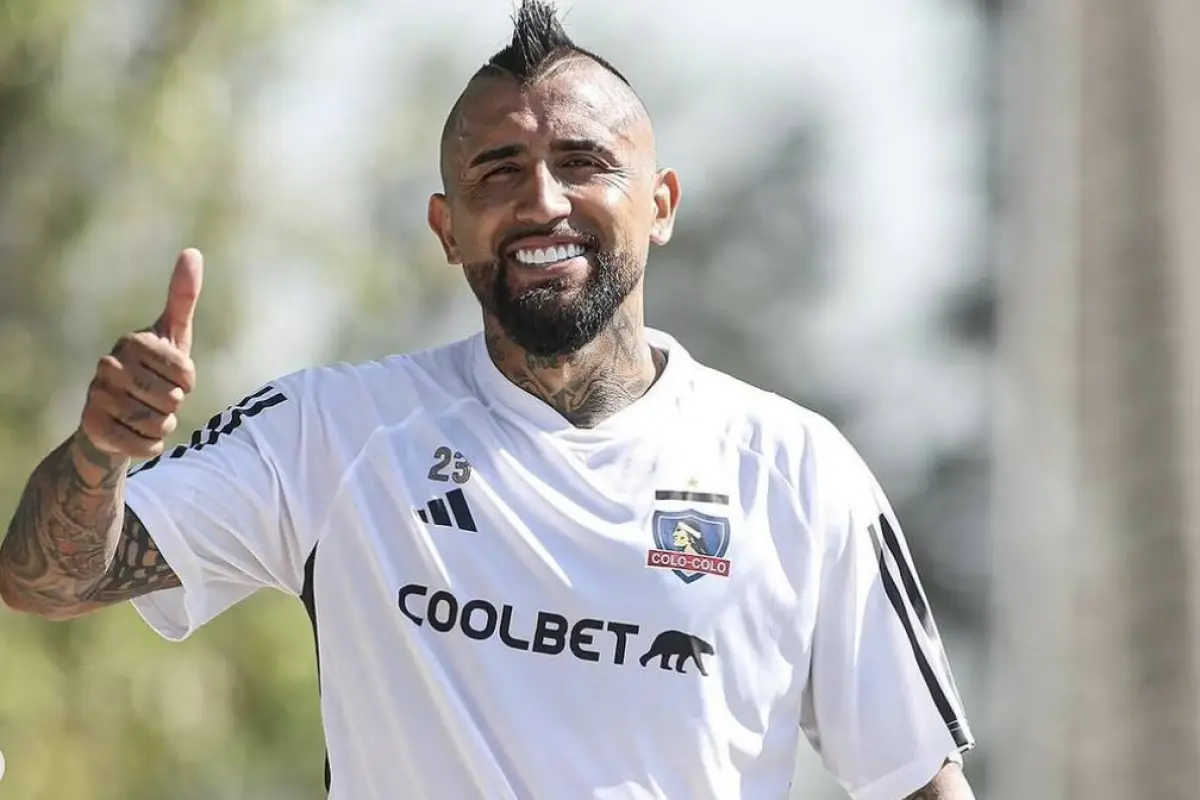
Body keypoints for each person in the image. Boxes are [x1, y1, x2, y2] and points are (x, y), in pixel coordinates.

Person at [0, 3, 977, 798]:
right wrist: (99, 453)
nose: (543, 201)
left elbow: (916, 780)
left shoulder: (796, 470)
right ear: (447, 227)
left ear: (663, 202)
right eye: (497, 171)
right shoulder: (333, 433)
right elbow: (46, 579)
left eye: (584, 162)